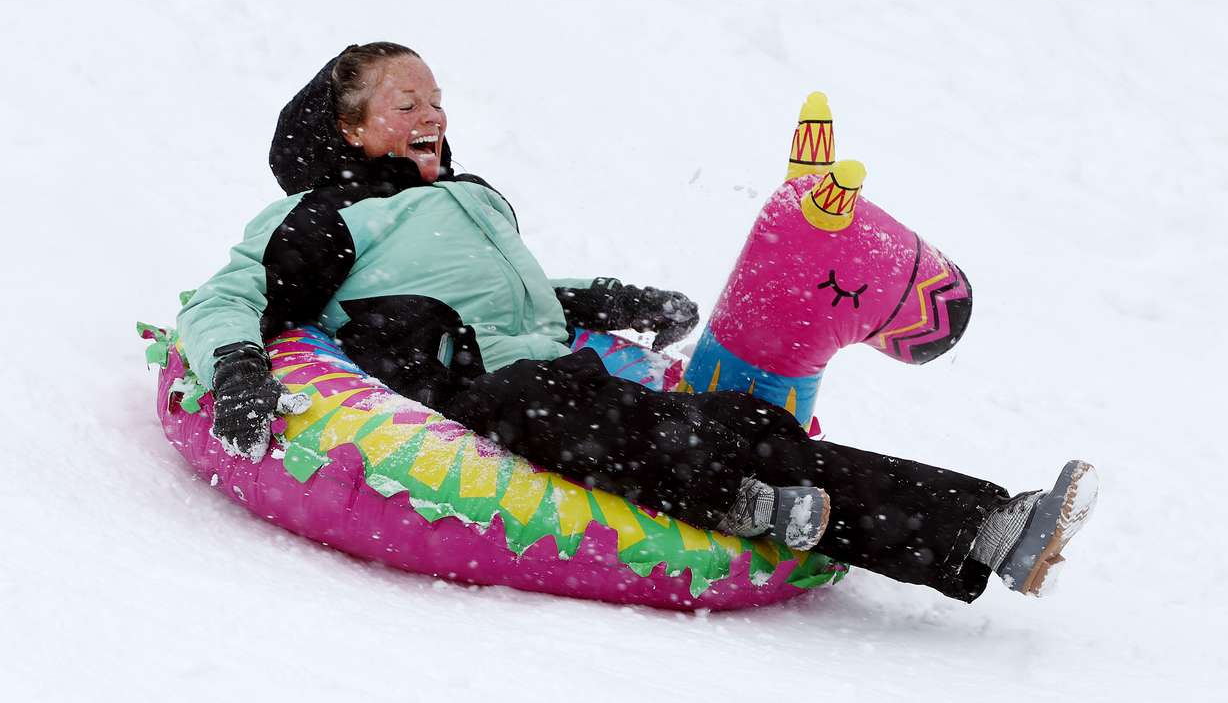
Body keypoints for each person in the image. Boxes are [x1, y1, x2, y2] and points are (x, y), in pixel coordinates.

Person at [178, 42, 1097, 603]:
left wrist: (609, 298)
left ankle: (987, 529)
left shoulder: (471, 198)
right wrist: (239, 371)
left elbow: (529, 294)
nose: (432, 115)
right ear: (349, 128)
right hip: (475, 392)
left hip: (551, 368)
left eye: (436, 97)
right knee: (578, 415)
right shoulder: (324, 217)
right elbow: (230, 296)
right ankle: (735, 502)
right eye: (405, 102)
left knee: (745, 424)